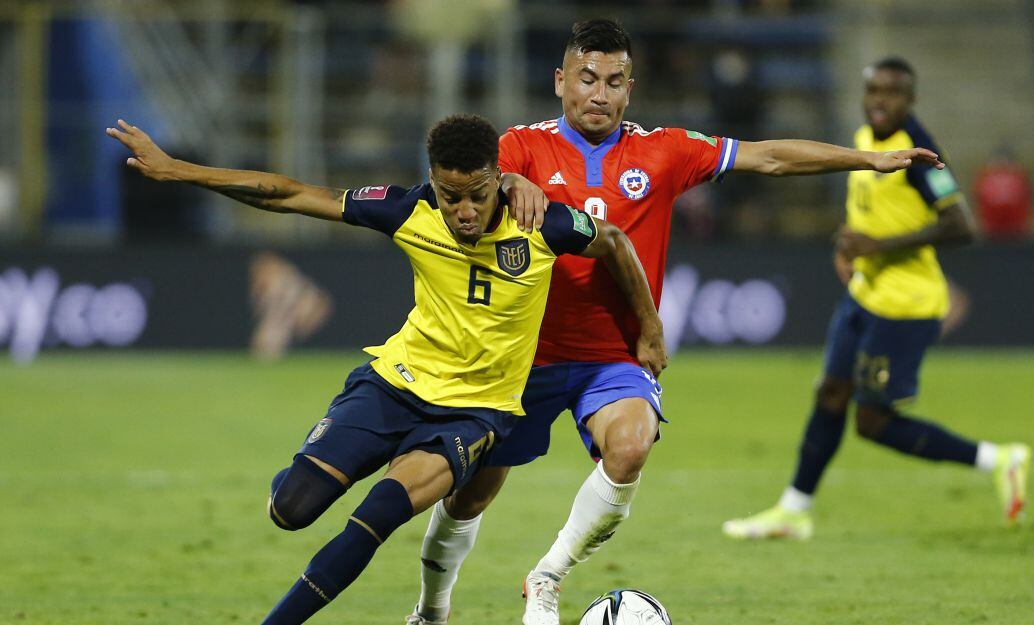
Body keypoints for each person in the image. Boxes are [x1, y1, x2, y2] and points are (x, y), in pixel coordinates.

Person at [407, 21, 946, 625]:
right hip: (522, 356)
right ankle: (431, 611)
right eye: (587, 79)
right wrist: (509, 180)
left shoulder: (662, 150)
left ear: (629, 89)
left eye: (614, 82)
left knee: (632, 447)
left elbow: (766, 157)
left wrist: (868, 159)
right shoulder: (520, 147)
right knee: (471, 495)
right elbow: (469, 185)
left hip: (612, 356)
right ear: (561, 82)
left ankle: (548, 576)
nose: (599, 94)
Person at [105, 113, 664, 625]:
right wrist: (179, 170)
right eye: (451, 197)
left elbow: (614, 240)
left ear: (500, 177)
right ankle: (324, 463)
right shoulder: (408, 210)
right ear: (432, 182)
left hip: (474, 415)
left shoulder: (542, 224)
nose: (464, 211)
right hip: (394, 386)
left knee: (376, 517)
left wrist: (649, 327)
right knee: (291, 508)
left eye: (477, 194)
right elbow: (291, 195)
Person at [721, 57, 1032, 541]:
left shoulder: (917, 151)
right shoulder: (866, 141)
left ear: (910, 101)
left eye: (892, 93)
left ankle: (999, 459)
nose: (879, 100)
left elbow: (960, 225)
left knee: (872, 422)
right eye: (873, 91)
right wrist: (850, 244)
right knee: (829, 393)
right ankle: (794, 511)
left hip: (905, 306)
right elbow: (869, 211)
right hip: (865, 294)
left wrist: (877, 247)